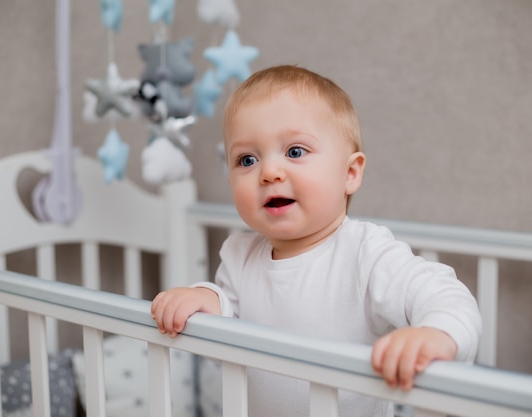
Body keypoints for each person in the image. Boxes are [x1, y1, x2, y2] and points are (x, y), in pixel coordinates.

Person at [151, 65, 482, 417]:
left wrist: (436, 334)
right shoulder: (239, 255)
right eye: (247, 159)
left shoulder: (365, 253)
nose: (269, 172)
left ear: (350, 173)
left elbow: (447, 296)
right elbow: (226, 311)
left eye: (295, 151)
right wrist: (204, 296)